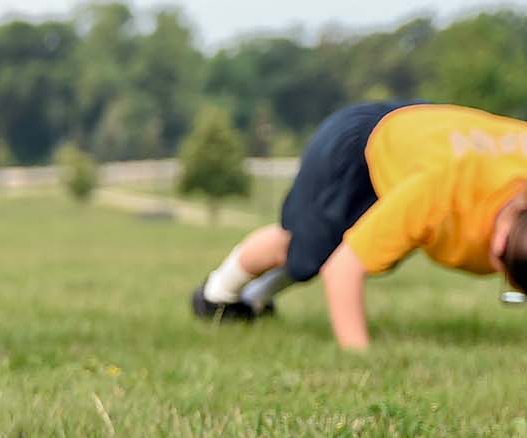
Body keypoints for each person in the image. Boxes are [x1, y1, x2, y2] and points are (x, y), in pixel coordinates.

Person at [190, 100, 527, 349]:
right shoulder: (439, 193)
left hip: (424, 132)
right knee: (308, 250)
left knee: (377, 251)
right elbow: (343, 269)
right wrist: (359, 359)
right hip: (358, 144)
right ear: (497, 244)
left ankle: (253, 303)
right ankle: (216, 296)